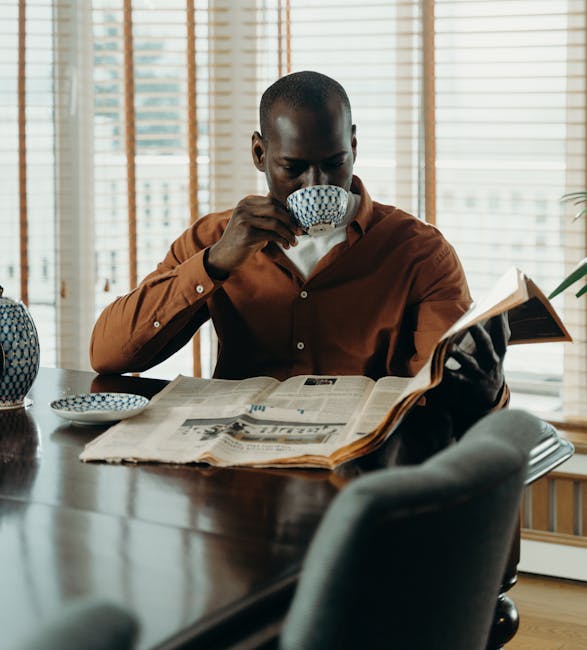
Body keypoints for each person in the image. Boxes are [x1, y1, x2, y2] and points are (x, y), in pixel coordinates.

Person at [90, 70, 509, 440]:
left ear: (354, 146)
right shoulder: (215, 237)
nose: (317, 182)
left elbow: (445, 396)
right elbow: (109, 354)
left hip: (359, 472)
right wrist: (215, 262)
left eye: (334, 163)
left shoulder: (419, 252)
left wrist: (485, 388)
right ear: (259, 154)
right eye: (293, 168)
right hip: (236, 473)